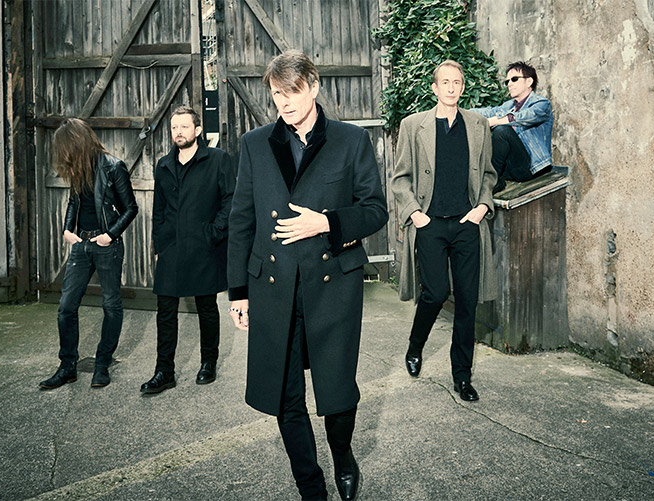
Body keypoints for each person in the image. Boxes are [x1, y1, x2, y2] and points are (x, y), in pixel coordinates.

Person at [227, 50, 387, 501]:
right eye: (277, 94)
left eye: (292, 91)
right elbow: (241, 220)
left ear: (314, 87)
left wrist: (327, 223)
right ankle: (310, 485)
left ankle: (343, 454)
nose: (284, 102)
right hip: (273, 288)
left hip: (332, 285)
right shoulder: (255, 144)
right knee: (285, 393)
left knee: (337, 391)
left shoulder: (350, 140)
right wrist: (238, 293)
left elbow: (375, 210)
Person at [391, 60, 497, 402]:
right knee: (435, 293)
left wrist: (482, 208)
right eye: (445, 82)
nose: (451, 88)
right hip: (431, 223)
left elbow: (488, 174)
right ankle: (415, 346)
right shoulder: (413, 126)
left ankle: (462, 377)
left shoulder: (478, 125)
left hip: (467, 223)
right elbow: (400, 178)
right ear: (434, 88)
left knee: (467, 301)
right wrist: (415, 214)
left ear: (462, 87)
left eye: (457, 82)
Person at [140, 106, 235, 394]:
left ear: (197, 130)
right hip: (171, 247)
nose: (178, 132)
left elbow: (230, 201)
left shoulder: (218, 160)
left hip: (204, 247)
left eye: (184, 126)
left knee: (207, 307)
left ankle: (208, 362)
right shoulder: (163, 165)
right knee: (165, 310)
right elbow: (159, 210)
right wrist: (159, 244)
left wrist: (213, 233)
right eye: (174, 128)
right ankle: (164, 371)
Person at [40, 118, 138, 390]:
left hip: (106, 246)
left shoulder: (113, 167)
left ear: (77, 142)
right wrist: (66, 229)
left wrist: (110, 235)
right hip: (81, 245)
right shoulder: (78, 167)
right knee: (66, 307)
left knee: (111, 305)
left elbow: (131, 208)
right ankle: (67, 367)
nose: (63, 155)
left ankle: (102, 364)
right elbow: (75, 200)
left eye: (65, 148)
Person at [470, 61, 554, 192]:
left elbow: (525, 116)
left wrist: (495, 121)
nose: (509, 84)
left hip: (532, 168)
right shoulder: (509, 105)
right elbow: (489, 111)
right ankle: (489, 180)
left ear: (529, 81)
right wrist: (459, 111)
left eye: (514, 79)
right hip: (511, 166)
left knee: (502, 131)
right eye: (507, 81)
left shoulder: (542, 104)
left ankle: (492, 181)